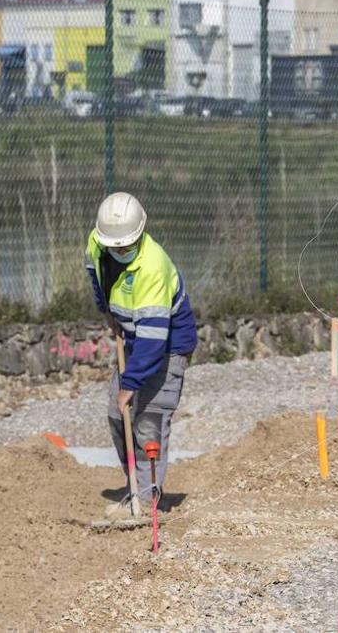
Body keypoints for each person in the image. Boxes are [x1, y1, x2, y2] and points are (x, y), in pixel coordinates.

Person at [84, 191, 197, 521]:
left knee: (148, 419)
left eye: (125, 245)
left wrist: (131, 383)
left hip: (166, 344)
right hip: (133, 338)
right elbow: (95, 273)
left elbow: (153, 337)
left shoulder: (152, 267)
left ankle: (146, 502)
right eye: (113, 245)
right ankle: (135, 487)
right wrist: (106, 311)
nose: (118, 249)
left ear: (139, 234)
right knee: (117, 416)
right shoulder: (97, 242)